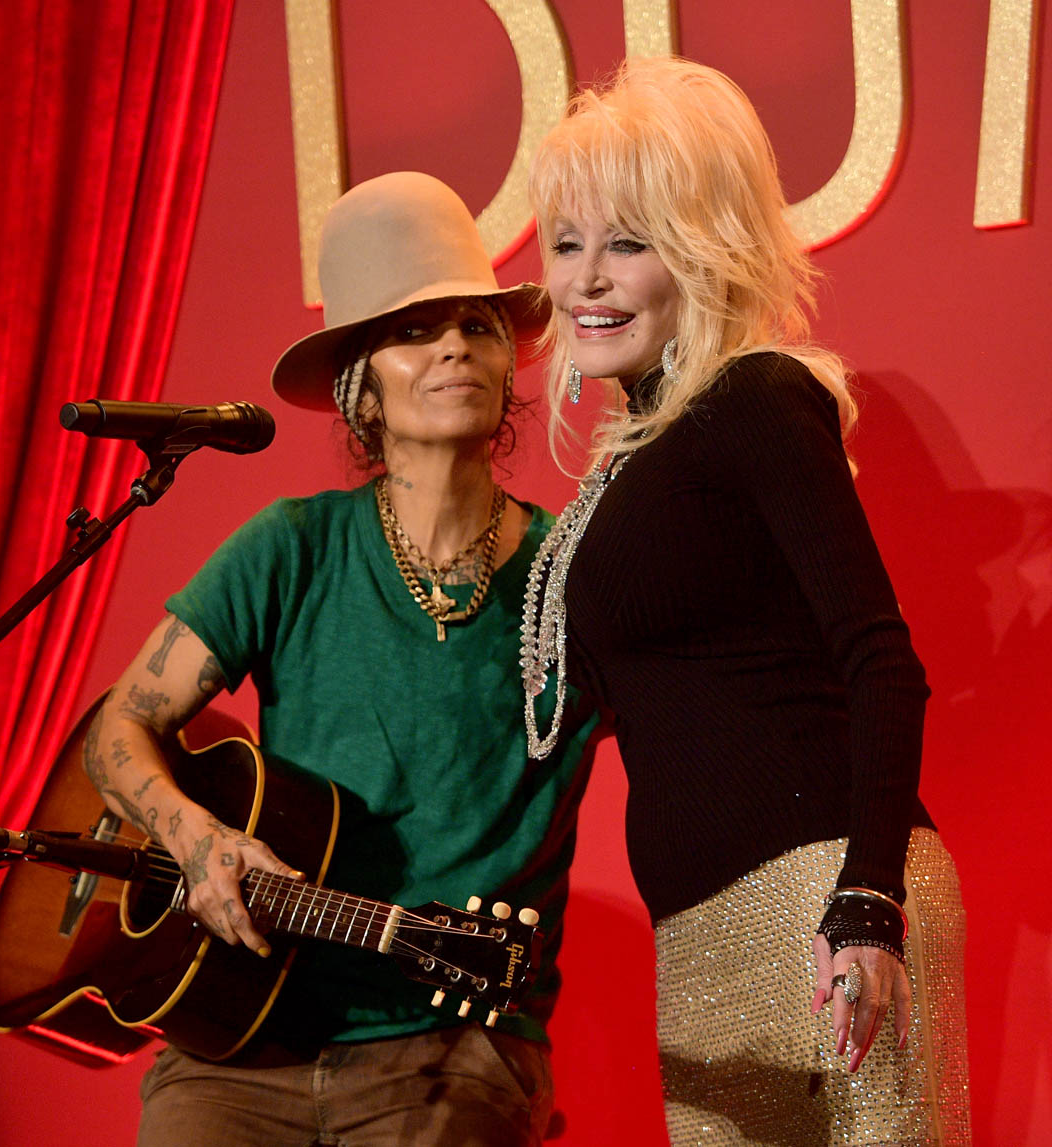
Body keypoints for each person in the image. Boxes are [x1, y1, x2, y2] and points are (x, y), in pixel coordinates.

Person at [86, 171, 596, 1146]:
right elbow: (118, 729)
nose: (454, 345)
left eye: (477, 325)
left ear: (506, 365)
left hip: (453, 1041)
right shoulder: (292, 546)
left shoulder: (573, 573)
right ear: (361, 389)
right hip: (242, 1034)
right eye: (414, 330)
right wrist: (196, 838)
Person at [520, 58, 970, 1144]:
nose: (587, 281)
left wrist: (867, 902)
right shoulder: (623, 471)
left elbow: (881, 657)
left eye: (627, 243)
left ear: (702, 249)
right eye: (568, 245)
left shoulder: (758, 398)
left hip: (820, 897)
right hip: (698, 937)